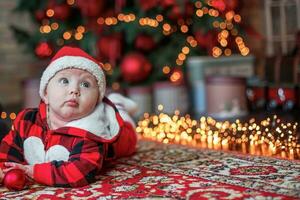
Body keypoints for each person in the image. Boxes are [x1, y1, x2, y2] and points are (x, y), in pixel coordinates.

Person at [0, 46, 138, 188]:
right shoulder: (26, 120)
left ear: (97, 100)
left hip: (120, 136)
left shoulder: (91, 133)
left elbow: (79, 173)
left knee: (129, 139)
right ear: (45, 94)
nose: (74, 90)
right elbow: (8, 150)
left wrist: (33, 171)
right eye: (64, 81)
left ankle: (118, 105)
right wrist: (4, 169)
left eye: (85, 84)